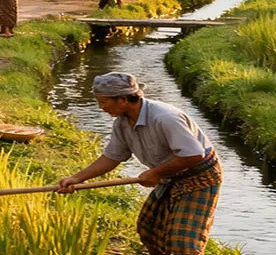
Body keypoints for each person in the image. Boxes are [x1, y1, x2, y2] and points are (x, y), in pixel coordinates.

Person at [58, 73, 222, 255]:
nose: (101, 107)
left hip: (198, 176)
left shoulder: (165, 117)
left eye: (103, 102)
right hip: (169, 175)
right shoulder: (122, 124)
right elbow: (112, 157)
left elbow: (193, 154)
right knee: (149, 230)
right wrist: (76, 178)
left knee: (183, 244)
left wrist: (157, 173)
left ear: (123, 99)